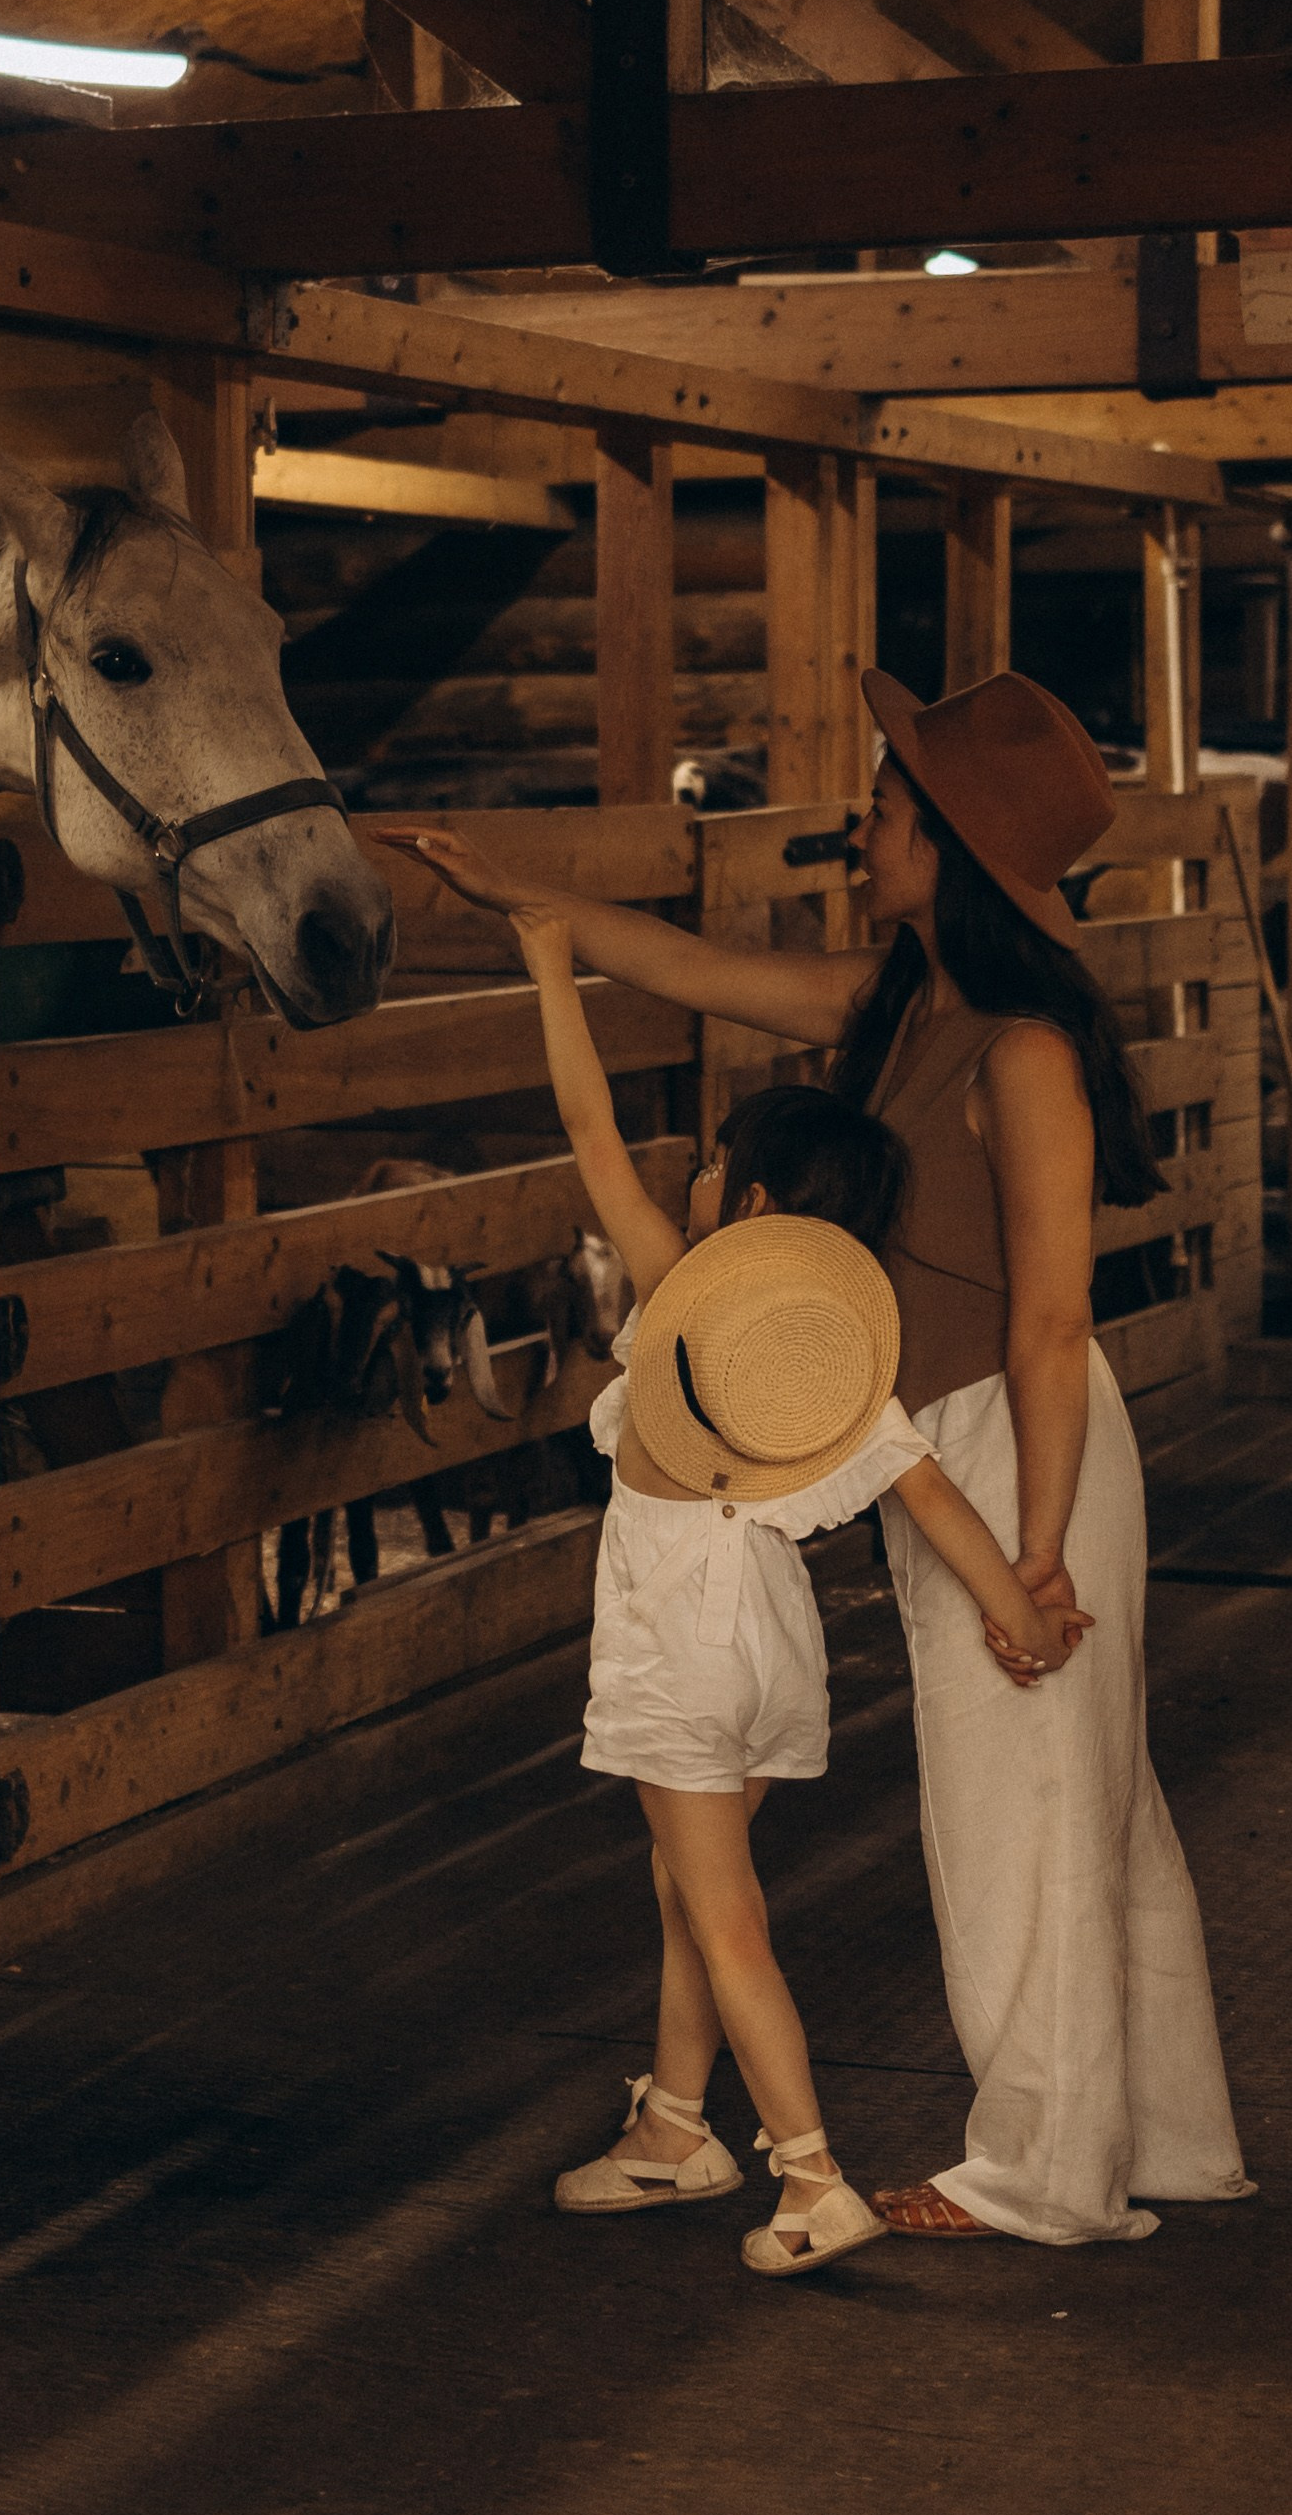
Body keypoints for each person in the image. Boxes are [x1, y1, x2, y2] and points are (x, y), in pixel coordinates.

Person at [384, 668, 1252, 2245]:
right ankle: (1162, 2135)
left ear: (954, 848)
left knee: (1026, 1800)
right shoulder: (906, 1005)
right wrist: (536, 900)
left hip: (1019, 1436)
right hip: (953, 1435)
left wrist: (1037, 1542)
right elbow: (699, 971)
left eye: (888, 809)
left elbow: (1053, 1320)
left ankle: (1043, 2174)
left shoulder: (1024, 1052)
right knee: (1087, 1799)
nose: (863, 826)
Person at [508, 898, 1082, 2277]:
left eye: (710, 1166)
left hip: (674, 1653)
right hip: (771, 1653)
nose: (691, 1181)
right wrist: (1022, 1606)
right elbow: (930, 1489)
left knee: (723, 1912)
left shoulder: (681, 1299)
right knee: (688, 1881)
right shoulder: (834, 1371)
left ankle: (809, 2173)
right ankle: (674, 2122)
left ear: (750, 1206)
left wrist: (549, 959)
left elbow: (589, 1136)